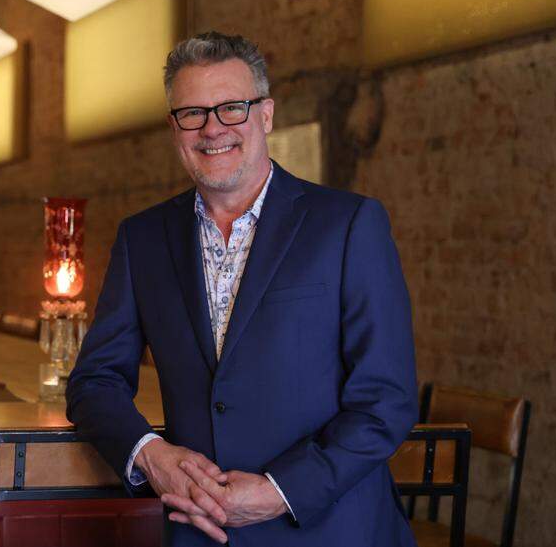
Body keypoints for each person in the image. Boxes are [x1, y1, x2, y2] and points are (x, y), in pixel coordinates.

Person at [66, 32, 418, 546]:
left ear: (266, 115)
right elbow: (94, 380)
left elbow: (386, 399)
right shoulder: (142, 239)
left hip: (331, 529)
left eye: (232, 108)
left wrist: (280, 491)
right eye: (192, 113)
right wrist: (150, 453)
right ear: (174, 127)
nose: (213, 129)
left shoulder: (347, 224)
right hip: (200, 532)